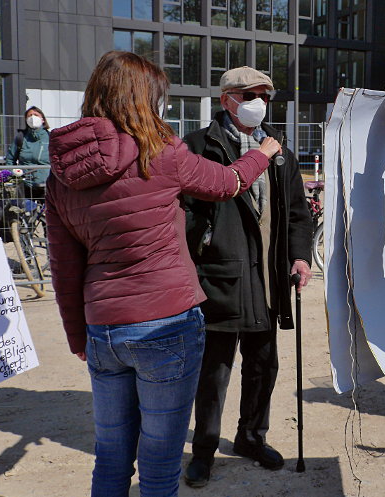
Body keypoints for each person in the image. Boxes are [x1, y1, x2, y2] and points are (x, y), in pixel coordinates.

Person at [46, 51, 281, 497]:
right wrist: (265, 152)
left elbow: (64, 268)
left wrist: (78, 336)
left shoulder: (62, 174)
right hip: (166, 323)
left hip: (103, 329)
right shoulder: (162, 151)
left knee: (112, 453)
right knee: (159, 459)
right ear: (142, 99)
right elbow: (228, 183)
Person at [181, 66, 312, 487]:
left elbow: (297, 212)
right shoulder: (199, 146)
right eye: (249, 94)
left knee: (263, 365)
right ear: (226, 100)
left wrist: (299, 257)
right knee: (214, 371)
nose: (259, 102)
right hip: (219, 278)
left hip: (268, 281)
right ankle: (204, 449)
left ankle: (251, 436)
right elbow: (184, 214)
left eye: (264, 95)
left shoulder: (280, 149)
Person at [5, 106, 51, 200]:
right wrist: (14, 172)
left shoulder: (51, 137)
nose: (33, 118)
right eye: (29, 115)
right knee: (26, 213)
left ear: (43, 119)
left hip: (47, 185)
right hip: (25, 185)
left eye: (36, 115)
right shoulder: (20, 138)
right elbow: (10, 160)